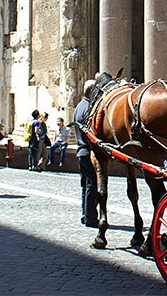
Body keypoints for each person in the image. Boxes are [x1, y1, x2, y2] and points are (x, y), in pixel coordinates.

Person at [73, 80, 98, 227]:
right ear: (91, 92)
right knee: (91, 185)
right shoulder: (89, 108)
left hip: (80, 151)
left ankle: (85, 214)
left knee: (85, 185)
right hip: (88, 152)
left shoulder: (79, 107)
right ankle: (90, 217)